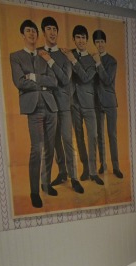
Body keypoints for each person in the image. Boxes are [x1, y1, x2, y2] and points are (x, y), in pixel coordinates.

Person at [9, 19, 58, 209]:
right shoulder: (16, 56)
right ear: (23, 34)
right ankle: (34, 191)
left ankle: (46, 184)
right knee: (37, 149)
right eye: (28, 31)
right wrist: (42, 84)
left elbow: (53, 81)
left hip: (50, 106)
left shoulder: (43, 55)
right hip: (33, 108)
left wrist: (35, 77)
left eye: (34, 31)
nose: (32, 34)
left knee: (50, 148)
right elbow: (19, 82)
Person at [39, 16, 84, 194]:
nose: (52, 32)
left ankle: (74, 178)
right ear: (43, 32)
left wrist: (50, 61)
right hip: (47, 105)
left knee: (67, 140)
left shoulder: (65, 55)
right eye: (48, 28)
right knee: (54, 142)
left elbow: (65, 80)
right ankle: (62, 173)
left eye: (54, 29)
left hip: (64, 104)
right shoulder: (39, 54)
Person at [63, 25, 103, 185]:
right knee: (78, 137)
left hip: (88, 103)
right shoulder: (69, 55)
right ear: (74, 39)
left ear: (87, 41)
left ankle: (93, 171)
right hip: (73, 103)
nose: (81, 41)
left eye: (83, 38)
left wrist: (73, 60)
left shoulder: (93, 59)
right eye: (78, 37)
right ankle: (86, 169)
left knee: (92, 136)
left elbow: (86, 78)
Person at [93, 29, 123, 178]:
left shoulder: (112, 61)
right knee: (100, 135)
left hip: (110, 101)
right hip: (97, 102)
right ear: (94, 43)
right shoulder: (91, 60)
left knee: (112, 135)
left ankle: (116, 167)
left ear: (105, 43)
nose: (99, 45)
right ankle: (102, 165)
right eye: (97, 42)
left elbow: (107, 80)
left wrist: (98, 63)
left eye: (102, 42)